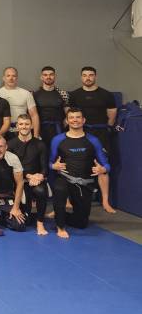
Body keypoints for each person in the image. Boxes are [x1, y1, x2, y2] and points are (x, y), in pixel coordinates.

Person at [50, 108, 110, 239]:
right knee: (60, 188)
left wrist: (102, 169)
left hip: (84, 183)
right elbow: (49, 163)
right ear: (67, 121)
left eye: (78, 117)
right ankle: (60, 227)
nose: (75, 120)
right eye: (71, 117)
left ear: (83, 120)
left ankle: (60, 214)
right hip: (64, 179)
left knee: (81, 223)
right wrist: (53, 166)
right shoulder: (58, 139)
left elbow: (106, 165)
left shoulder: (93, 140)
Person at [68, 66, 117, 214]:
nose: (88, 78)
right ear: (81, 77)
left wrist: (106, 129)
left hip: (100, 133)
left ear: (95, 76)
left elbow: (112, 115)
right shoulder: (74, 95)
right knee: (73, 166)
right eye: (85, 75)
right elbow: (70, 116)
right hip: (81, 133)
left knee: (102, 166)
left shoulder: (106, 94)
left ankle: (105, 202)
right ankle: (69, 201)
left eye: (91, 75)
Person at [8, 114, 49, 235]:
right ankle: (28, 213)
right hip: (18, 181)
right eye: (21, 124)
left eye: (27, 124)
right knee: (24, 221)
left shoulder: (40, 144)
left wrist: (40, 176)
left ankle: (40, 223)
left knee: (41, 191)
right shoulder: (10, 144)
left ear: (31, 126)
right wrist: (28, 176)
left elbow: (45, 167)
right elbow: (10, 168)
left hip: (36, 180)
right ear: (17, 126)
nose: (24, 126)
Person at [0, 67, 40, 139]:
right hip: (2, 132)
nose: (11, 78)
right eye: (8, 76)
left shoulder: (26, 93)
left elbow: (34, 115)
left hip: (22, 131)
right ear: (3, 78)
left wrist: (36, 135)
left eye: (14, 76)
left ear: (17, 78)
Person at [33, 66, 69, 149]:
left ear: (55, 76)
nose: (48, 77)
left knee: (58, 152)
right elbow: (32, 114)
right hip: (41, 130)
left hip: (58, 129)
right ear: (41, 77)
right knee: (42, 152)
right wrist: (35, 133)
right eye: (45, 75)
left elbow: (68, 112)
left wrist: (66, 121)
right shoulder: (34, 95)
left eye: (51, 74)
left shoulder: (63, 94)